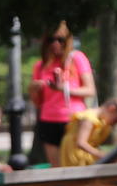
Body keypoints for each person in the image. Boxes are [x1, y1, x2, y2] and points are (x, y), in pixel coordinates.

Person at [29, 21, 96, 167]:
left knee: (75, 165)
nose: (56, 44)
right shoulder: (40, 66)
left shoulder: (77, 58)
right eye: (51, 40)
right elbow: (37, 102)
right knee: (57, 169)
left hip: (73, 120)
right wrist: (33, 89)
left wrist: (62, 89)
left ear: (67, 41)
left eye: (60, 40)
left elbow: (90, 90)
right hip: (48, 120)